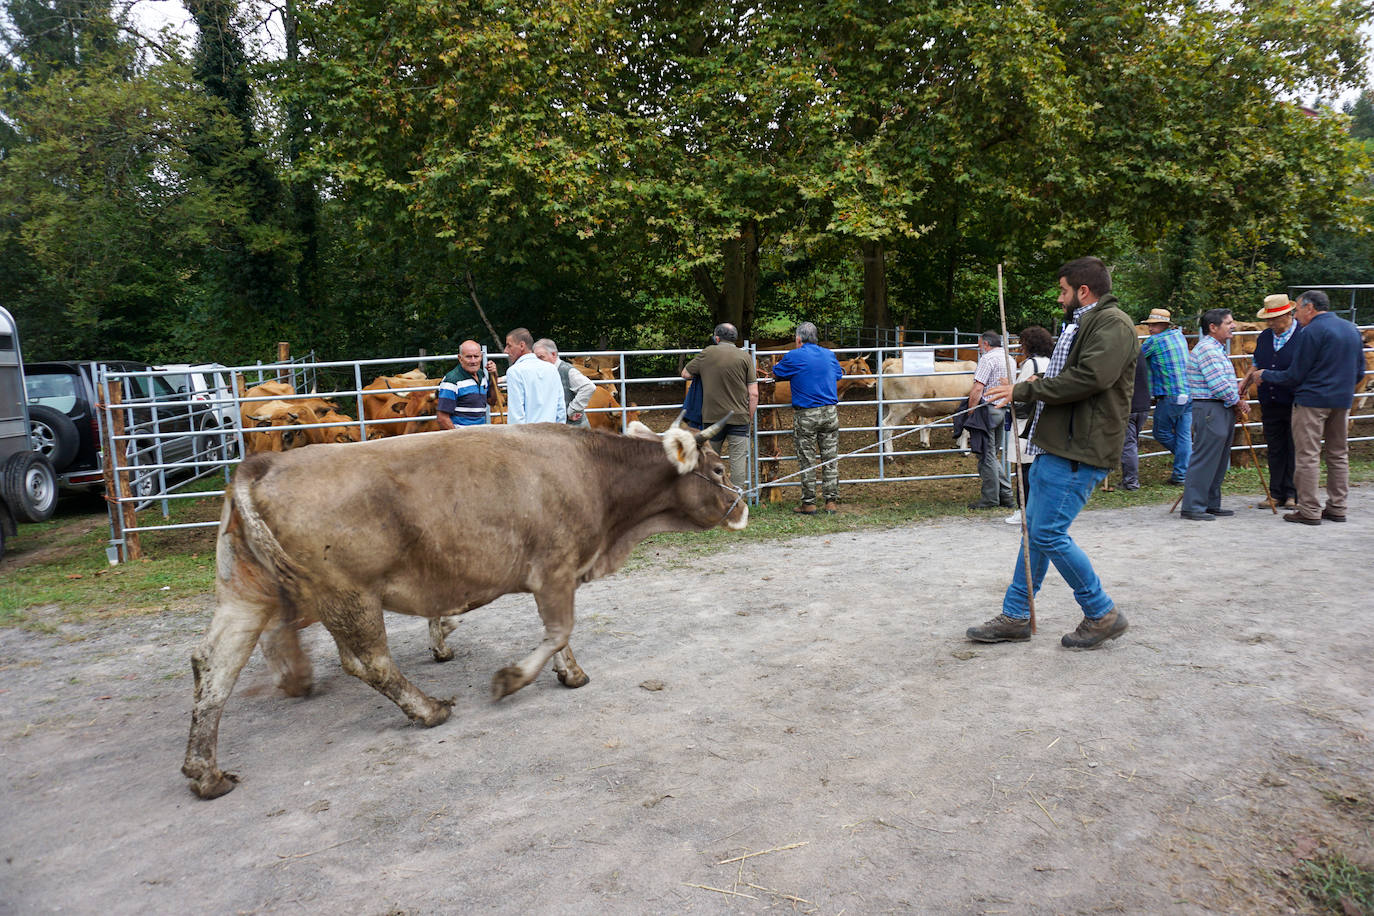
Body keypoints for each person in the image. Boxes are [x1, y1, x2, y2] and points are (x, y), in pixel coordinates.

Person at [968, 256, 1138, 649]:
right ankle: (1016, 615)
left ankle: (1101, 612)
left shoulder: (1112, 324)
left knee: (1046, 531)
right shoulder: (1083, 325)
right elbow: (1065, 376)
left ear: (1083, 291)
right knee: (1035, 532)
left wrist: (1025, 390)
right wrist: (1023, 389)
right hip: (1058, 441)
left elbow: (1090, 378)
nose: (1059, 298)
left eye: (1063, 291)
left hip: (1081, 445)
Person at [1242, 289, 1365, 525]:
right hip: (1341, 401)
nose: (1297, 315)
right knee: (1338, 455)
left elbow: (1295, 374)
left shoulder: (1310, 333)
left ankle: (1309, 509)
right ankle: (1338, 507)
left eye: (1298, 309)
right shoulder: (1351, 329)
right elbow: (1359, 371)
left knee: (1307, 456)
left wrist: (1266, 374)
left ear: (1310, 307)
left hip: (1312, 402)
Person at [1179, 308, 1249, 521]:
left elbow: (1223, 383)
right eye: (1228, 323)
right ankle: (1193, 506)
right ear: (1213, 327)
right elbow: (1218, 384)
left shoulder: (1216, 348)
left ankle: (1209, 503)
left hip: (1220, 407)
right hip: (1211, 407)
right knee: (1206, 457)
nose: (1233, 326)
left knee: (1218, 459)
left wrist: (1234, 400)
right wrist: (1237, 401)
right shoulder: (1208, 350)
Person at [769, 321, 844, 515]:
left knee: (807, 458)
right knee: (830, 457)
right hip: (829, 412)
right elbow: (838, 375)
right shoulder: (829, 354)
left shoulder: (794, 355)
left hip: (806, 414)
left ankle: (809, 503)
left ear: (798, 339)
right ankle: (831, 502)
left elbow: (776, 372)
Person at [681, 323, 758, 490]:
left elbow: (685, 373)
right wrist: (748, 416)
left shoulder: (707, 353)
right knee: (738, 461)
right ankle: (736, 498)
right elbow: (754, 394)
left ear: (717, 338)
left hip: (712, 418)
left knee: (710, 458)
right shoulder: (745, 357)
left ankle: (711, 497)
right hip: (739, 417)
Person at [1249, 294, 1302, 509]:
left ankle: (1292, 492)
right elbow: (1256, 364)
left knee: (1294, 446)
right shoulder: (1264, 337)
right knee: (1275, 447)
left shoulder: (1304, 336)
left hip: (1295, 401)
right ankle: (1276, 492)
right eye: (1268, 319)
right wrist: (1243, 385)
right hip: (1269, 401)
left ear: (1288, 314)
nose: (1270, 323)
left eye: (1274, 319)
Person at [1004, 325, 1054, 526]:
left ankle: (1023, 509)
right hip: (1044, 419)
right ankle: (1038, 508)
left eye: (1022, 343)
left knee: (1023, 467)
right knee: (1038, 467)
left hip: (1025, 422)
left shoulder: (1030, 365)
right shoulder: (1050, 361)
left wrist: (1009, 392)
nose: (1020, 347)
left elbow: (1021, 393)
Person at [1138, 308, 1191, 484]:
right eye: (1149, 325)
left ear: (1164, 325)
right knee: (1184, 435)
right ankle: (1182, 474)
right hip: (1188, 392)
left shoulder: (1154, 341)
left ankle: (1189, 464)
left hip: (1171, 394)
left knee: (1160, 432)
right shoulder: (1179, 336)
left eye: (1154, 325)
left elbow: (1134, 358)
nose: (1150, 329)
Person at [964, 331, 1014, 510]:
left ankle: (991, 498)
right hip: (1003, 410)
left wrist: (970, 411)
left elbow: (978, 388)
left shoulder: (987, 359)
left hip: (988, 411)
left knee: (986, 455)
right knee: (992, 454)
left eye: (979, 346)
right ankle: (1005, 495)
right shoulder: (1010, 358)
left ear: (985, 344)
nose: (979, 349)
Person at [502, 328, 566, 425]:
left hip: (528, 436)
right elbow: (560, 407)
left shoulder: (514, 372)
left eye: (509, 346)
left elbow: (516, 415)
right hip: (552, 433)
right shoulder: (551, 369)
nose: (505, 351)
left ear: (522, 345)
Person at [532, 338, 597, 427]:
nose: (538, 362)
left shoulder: (567, 370)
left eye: (541, 357)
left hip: (575, 430)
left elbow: (589, 387)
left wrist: (572, 410)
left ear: (553, 354)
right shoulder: (544, 370)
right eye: (536, 359)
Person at [436, 340, 500, 428]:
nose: (473, 361)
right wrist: (458, 437)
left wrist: (494, 376)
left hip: (480, 433)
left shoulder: (481, 375)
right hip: (463, 436)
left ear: (481, 357)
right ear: (460, 358)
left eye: (476, 356)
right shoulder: (452, 380)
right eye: (469, 357)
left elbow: (492, 401)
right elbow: (442, 418)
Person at [1116, 350, 1151, 491]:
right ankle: (1129, 479)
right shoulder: (1138, 351)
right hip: (1143, 405)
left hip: (1130, 406)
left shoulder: (1121, 354)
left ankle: (1131, 482)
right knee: (1131, 443)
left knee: (1128, 445)